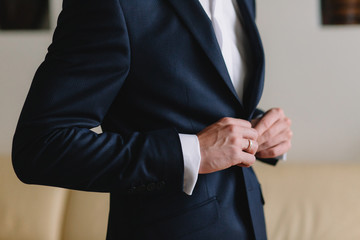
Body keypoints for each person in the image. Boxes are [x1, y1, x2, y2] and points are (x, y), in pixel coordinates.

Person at [12, 0, 292, 239]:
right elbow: (40, 145)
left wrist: (260, 128)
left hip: (251, 225)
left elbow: (201, 98)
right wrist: (190, 153)